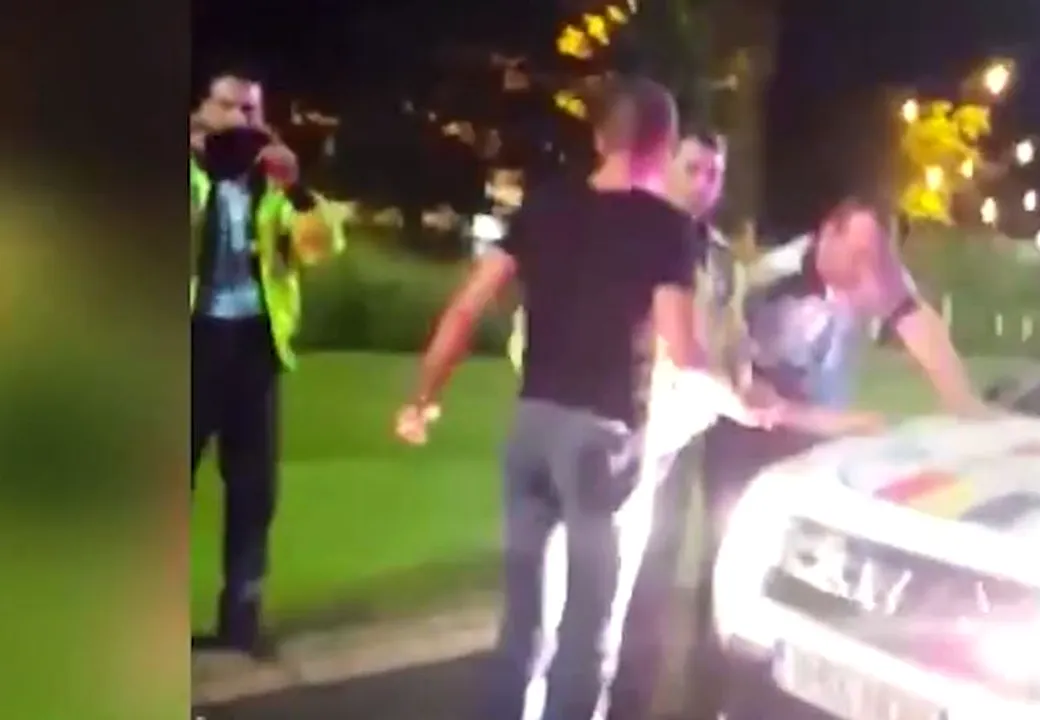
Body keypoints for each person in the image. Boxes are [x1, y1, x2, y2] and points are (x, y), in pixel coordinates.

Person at [393, 77, 771, 720]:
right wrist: (745, 405)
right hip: (604, 441)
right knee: (590, 629)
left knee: (522, 623)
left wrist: (423, 398)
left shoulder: (543, 207)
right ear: (664, 147)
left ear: (600, 138)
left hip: (532, 428)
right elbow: (684, 350)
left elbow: (465, 308)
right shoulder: (667, 229)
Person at [686, 197, 992, 716]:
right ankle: (718, 693)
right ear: (826, 233)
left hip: (817, 439)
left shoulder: (875, 272)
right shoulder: (766, 281)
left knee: (824, 569)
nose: (866, 272)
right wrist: (839, 422)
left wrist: (967, 407)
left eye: (875, 258)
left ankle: (807, 686)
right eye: (857, 255)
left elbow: (919, 324)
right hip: (748, 438)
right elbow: (746, 390)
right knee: (737, 559)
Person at [190, 67, 346, 658]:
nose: (240, 120)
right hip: (190, 341)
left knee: (254, 488)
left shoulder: (274, 185)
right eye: (228, 106)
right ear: (204, 109)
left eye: (251, 109)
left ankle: (241, 618)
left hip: (255, 345)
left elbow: (321, 247)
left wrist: (298, 190)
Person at [605, 126, 746, 720]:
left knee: (659, 570)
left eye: (714, 173)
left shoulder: (719, 255)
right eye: (693, 168)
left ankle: (631, 701)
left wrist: (735, 380)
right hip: (627, 422)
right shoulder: (630, 233)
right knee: (609, 571)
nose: (704, 183)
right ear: (666, 166)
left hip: (686, 429)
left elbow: (728, 333)